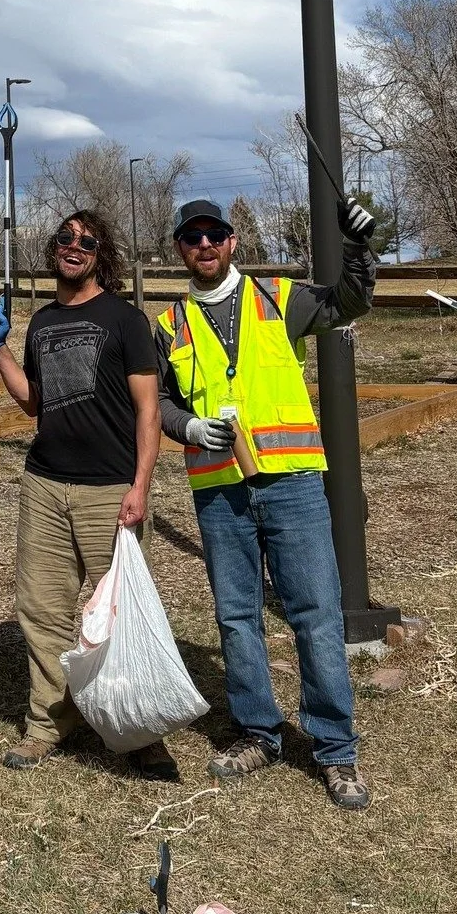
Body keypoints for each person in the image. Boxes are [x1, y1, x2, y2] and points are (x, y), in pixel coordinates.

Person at [155, 195, 377, 810]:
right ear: (180, 248)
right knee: (236, 614)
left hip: (292, 483)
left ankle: (335, 748)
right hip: (219, 487)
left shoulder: (279, 299)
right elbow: (159, 402)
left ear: (231, 242)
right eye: (191, 237)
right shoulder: (170, 323)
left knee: (315, 613)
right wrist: (190, 428)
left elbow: (349, 301)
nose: (204, 245)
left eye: (214, 235)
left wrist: (359, 245)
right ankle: (259, 731)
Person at [0, 210, 176, 779]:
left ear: (100, 255)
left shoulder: (126, 321)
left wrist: (141, 485)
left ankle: (138, 732)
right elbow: (33, 402)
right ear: (54, 249)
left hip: (109, 489)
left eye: (87, 242)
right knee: (42, 609)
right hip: (44, 483)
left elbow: (147, 412)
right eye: (65, 238)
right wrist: (0, 349)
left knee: (120, 614)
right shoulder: (40, 322)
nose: (74, 247)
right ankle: (49, 723)